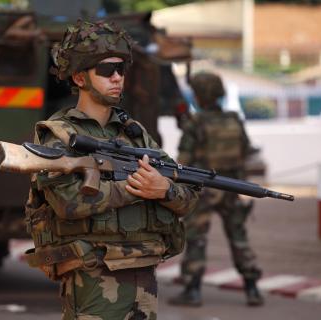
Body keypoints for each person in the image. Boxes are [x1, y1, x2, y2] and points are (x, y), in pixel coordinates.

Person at [24, 20, 199, 320]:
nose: (117, 77)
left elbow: (187, 196)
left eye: (121, 69)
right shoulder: (60, 135)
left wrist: (164, 190)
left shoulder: (135, 135)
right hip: (92, 275)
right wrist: (135, 188)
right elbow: (68, 202)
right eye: (106, 70)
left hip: (142, 274)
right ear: (79, 77)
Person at [168, 72, 264, 307]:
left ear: (199, 96)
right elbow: (246, 150)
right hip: (231, 185)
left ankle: (193, 290)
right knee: (238, 237)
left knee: (197, 238)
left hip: (204, 189)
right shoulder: (234, 119)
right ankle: (252, 288)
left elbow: (184, 160)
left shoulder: (195, 124)